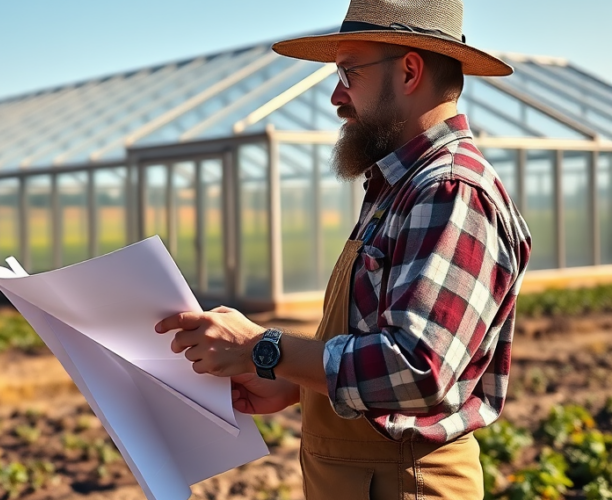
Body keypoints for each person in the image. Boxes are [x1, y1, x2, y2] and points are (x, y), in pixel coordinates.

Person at [155, 0, 532, 498]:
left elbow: (418, 369)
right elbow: (376, 336)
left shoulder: (450, 191)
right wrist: (292, 381)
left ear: (410, 71)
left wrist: (260, 347)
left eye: (349, 72)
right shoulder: (399, 188)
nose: (337, 95)